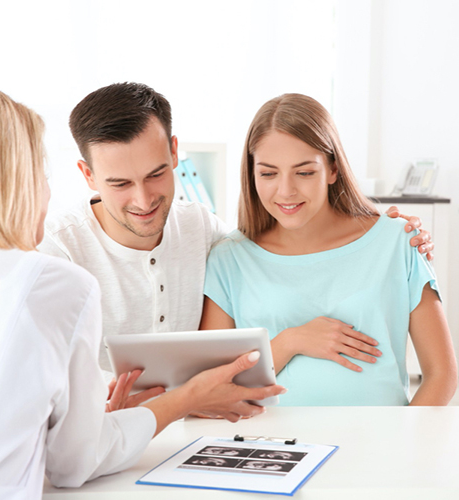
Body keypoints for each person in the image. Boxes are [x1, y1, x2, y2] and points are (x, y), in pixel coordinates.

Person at [0, 85, 284, 499]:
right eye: (39, 173)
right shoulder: (50, 282)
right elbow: (77, 461)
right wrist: (187, 396)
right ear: (7, 183)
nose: (46, 192)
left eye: (156, 173)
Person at [38, 82, 435, 373]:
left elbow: (274, 249)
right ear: (88, 175)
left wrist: (396, 233)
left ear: (175, 152)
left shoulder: (203, 231)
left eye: (156, 174)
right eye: (120, 184)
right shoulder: (56, 254)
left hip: (193, 431)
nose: (143, 200)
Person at [201, 93, 457, 407]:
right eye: (268, 173)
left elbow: (441, 374)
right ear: (251, 174)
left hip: (381, 446)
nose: (286, 191)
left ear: (333, 169)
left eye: (304, 172)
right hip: (274, 447)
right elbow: (213, 389)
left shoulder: (397, 241)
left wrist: (403, 445)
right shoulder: (229, 259)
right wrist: (290, 342)